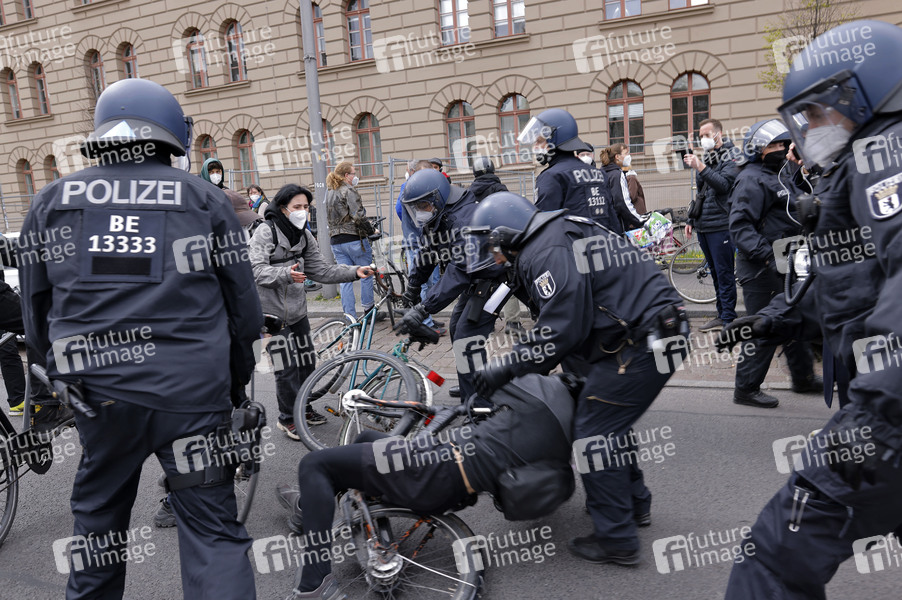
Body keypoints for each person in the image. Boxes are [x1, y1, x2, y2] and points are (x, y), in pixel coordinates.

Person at [19, 78, 261, 599]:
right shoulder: (204, 198)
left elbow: (36, 315)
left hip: (101, 398)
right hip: (193, 398)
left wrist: (63, 376)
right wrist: (234, 383)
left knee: (97, 533)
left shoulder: (52, 200)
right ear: (171, 132)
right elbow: (244, 310)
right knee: (214, 535)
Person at [722, 20, 902, 598]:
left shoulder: (884, 152)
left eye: (818, 112)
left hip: (888, 410)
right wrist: (771, 318)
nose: (809, 131)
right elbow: (849, 281)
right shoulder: (863, 159)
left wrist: (877, 413)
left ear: (864, 94)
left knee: (773, 557)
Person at [464, 192, 688, 565]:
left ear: (508, 234)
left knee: (594, 433)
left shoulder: (546, 250)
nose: (493, 256)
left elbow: (562, 326)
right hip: (646, 332)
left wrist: (507, 367)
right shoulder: (550, 238)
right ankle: (632, 504)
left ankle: (617, 539)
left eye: (493, 247)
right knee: (608, 419)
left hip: (644, 340)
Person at [276, 373, 577, 599]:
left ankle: (314, 585)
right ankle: (315, 509)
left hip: (430, 468)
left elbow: (491, 382)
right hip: (452, 491)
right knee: (367, 439)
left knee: (314, 465)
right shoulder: (560, 446)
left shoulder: (542, 393)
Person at [250, 183, 374, 440]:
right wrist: (285, 273)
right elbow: (255, 270)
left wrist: (354, 272)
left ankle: (303, 408)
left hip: (297, 312)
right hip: (270, 316)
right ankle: (287, 418)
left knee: (306, 364)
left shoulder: (304, 235)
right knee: (286, 370)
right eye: (296, 207)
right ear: (282, 208)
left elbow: (322, 270)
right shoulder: (265, 232)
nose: (302, 211)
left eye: (306, 207)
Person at [727, 118, 821, 409]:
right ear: (758, 149)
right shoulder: (751, 178)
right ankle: (745, 388)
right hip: (762, 267)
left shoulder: (779, 174)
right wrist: (767, 256)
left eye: (783, 143)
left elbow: (796, 203)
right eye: (775, 144)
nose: (781, 148)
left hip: (787, 261)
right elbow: (740, 226)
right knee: (762, 326)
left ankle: (803, 377)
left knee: (791, 317)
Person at [395, 169, 507, 408]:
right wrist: (413, 287)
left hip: (496, 279)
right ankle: (471, 386)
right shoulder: (439, 214)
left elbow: (458, 272)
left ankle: (479, 405)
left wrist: (424, 308)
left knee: (467, 336)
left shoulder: (463, 219)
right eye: (415, 207)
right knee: (457, 329)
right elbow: (428, 252)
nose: (420, 211)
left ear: (437, 198)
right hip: (476, 278)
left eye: (423, 205)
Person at [519, 108, 641, 234]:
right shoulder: (598, 174)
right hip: (602, 243)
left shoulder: (551, 177)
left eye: (539, 141)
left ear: (554, 139)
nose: (536, 147)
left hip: (570, 245)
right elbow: (612, 221)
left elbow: (544, 228)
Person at [683, 118, 739, 332]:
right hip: (704, 224)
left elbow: (724, 185)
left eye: (706, 135)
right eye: (700, 136)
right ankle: (721, 314)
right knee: (715, 273)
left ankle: (729, 319)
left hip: (721, 225)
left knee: (724, 273)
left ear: (718, 134)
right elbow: (702, 193)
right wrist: (691, 220)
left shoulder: (732, 155)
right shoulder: (708, 157)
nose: (703, 139)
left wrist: (700, 166)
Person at [324, 162, 382, 321]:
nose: (355, 176)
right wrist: (371, 231)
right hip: (354, 239)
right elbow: (358, 216)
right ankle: (369, 312)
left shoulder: (330, 192)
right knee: (366, 274)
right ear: (346, 175)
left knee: (345, 279)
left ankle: (349, 316)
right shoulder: (348, 190)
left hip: (336, 240)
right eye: (353, 173)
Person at [393, 159, 442, 333]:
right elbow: (400, 209)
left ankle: (428, 317)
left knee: (431, 283)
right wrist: (412, 227)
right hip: (415, 242)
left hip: (424, 242)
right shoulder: (409, 188)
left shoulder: (422, 186)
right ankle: (425, 322)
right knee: (421, 284)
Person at [599, 144, 644, 224]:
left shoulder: (602, 172)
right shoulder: (617, 174)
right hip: (616, 222)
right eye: (626, 153)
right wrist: (639, 220)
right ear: (617, 156)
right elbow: (622, 202)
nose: (628, 156)